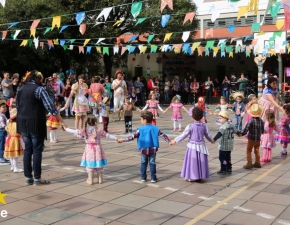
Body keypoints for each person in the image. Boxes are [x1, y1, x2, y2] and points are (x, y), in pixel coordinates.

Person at [16, 70, 66, 185]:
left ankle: (28, 177)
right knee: (37, 149)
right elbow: (51, 108)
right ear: (38, 79)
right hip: (35, 122)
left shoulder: (20, 89)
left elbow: (18, 106)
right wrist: (62, 121)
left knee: (28, 149)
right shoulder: (39, 90)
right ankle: (37, 178)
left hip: (23, 123)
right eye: (41, 79)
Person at [118, 111, 170, 183]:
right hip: (153, 149)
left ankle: (143, 177)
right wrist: (169, 141)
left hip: (143, 149)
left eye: (141, 119)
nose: (141, 120)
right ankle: (153, 178)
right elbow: (163, 135)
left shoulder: (140, 129)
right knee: (152, 163)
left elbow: (132, 137)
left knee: (143, 163)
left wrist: (123, 140)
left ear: (145, 120)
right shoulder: (156, 128)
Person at [63, 116, 118, 185]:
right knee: (99, 164)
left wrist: (66, 129)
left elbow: (75, 131)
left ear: (88, 122)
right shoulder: (98, 130)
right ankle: (100, 179)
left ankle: (90, 180)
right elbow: (108, 135)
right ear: (95, 122)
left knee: (90, 165)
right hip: (98, 148)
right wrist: (116, 139)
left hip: (89, 149)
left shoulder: (85, 130)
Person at [170, 107, 214, 182]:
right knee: (201, 161)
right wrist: (212, 140)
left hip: (192, 146)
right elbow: (208, 135)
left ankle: (192, 175)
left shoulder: (190, 126)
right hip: (201, 146)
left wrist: (175, 140)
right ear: (202, 116)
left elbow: (183, 135)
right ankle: (200, 175)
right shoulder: (204, 126)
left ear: (192, 116)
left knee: (192, 161)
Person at [239, 102, 264, 169]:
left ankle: (249, 162)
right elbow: (262, 130)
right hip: (258, 139)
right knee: (257, 150)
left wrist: (242, 133)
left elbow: (246, 129)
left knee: (249, 150)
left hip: (251, 138)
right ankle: (257, 162)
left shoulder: (251, 120)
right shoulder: (261, 121)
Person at [0, 100, 9, 165]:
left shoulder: (3, 115)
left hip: (3, 131)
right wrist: (7, 127)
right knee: (1, 145)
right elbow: (2, 124)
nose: (5, 108)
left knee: (3, 144)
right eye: (3, 107)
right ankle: (1, 158)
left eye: (5, 107)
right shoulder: (0, 116)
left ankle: (2, 157)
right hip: (2, 131)